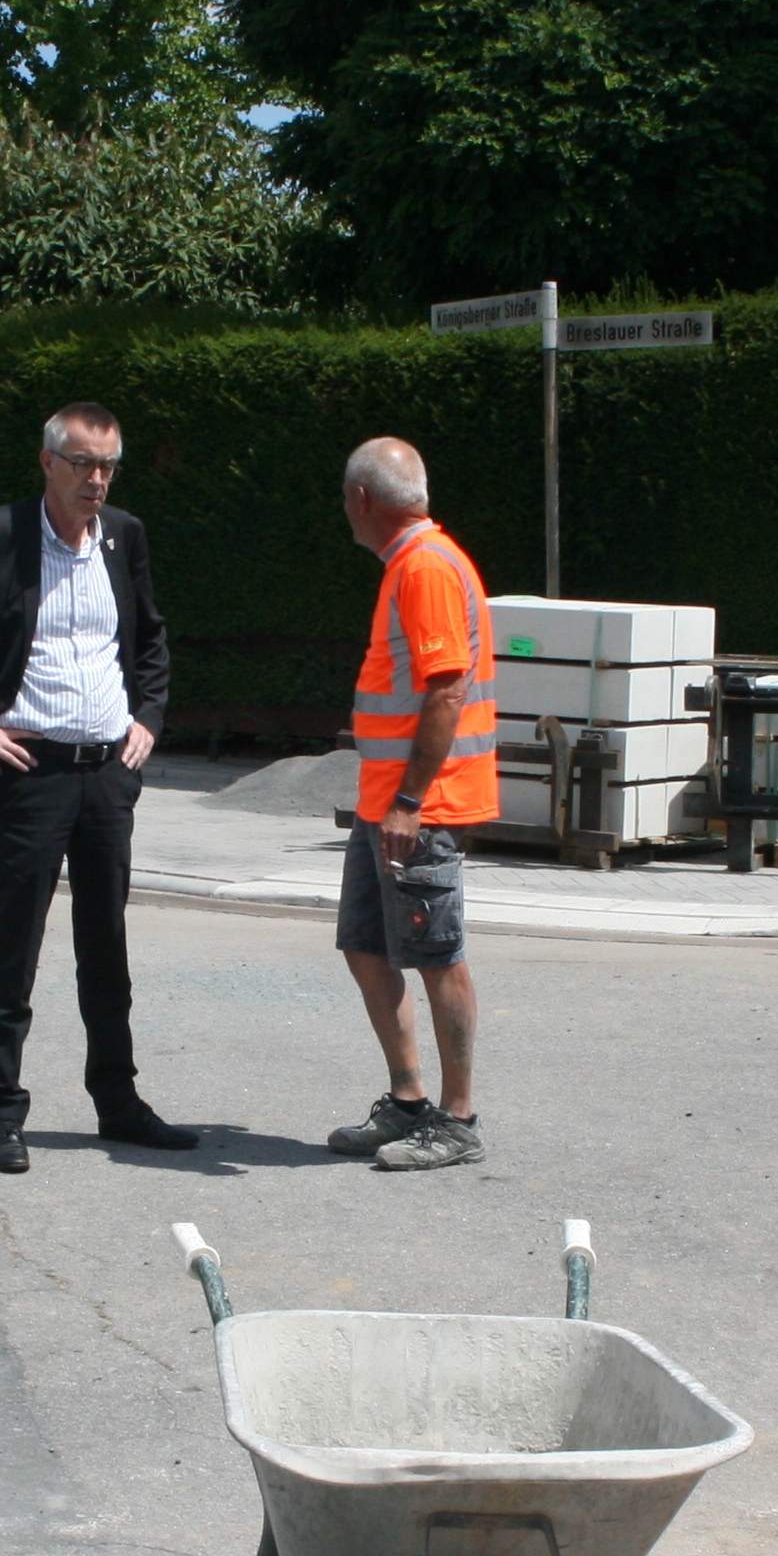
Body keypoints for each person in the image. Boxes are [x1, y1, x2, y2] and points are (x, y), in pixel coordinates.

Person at [0, 401, 194, 1174]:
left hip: (108, 774)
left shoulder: (123, 537)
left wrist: (147, 718)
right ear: (48, 462)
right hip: (31, 772)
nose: (98, 479)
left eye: (109, 465)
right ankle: (2, 1112)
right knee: (15, 943)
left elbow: (150, 636)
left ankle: (117, 1101)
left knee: (106, 944)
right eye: (85, 463)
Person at [326, 438, 496, 1170]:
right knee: (367, 947)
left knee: (436, 957)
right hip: (387, 805)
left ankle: (456, 1120)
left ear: (362, 500)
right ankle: (407, 1103)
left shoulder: (424, 567)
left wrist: (409, 801)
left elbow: (446, 687)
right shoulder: (415, 563)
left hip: (416, 808)